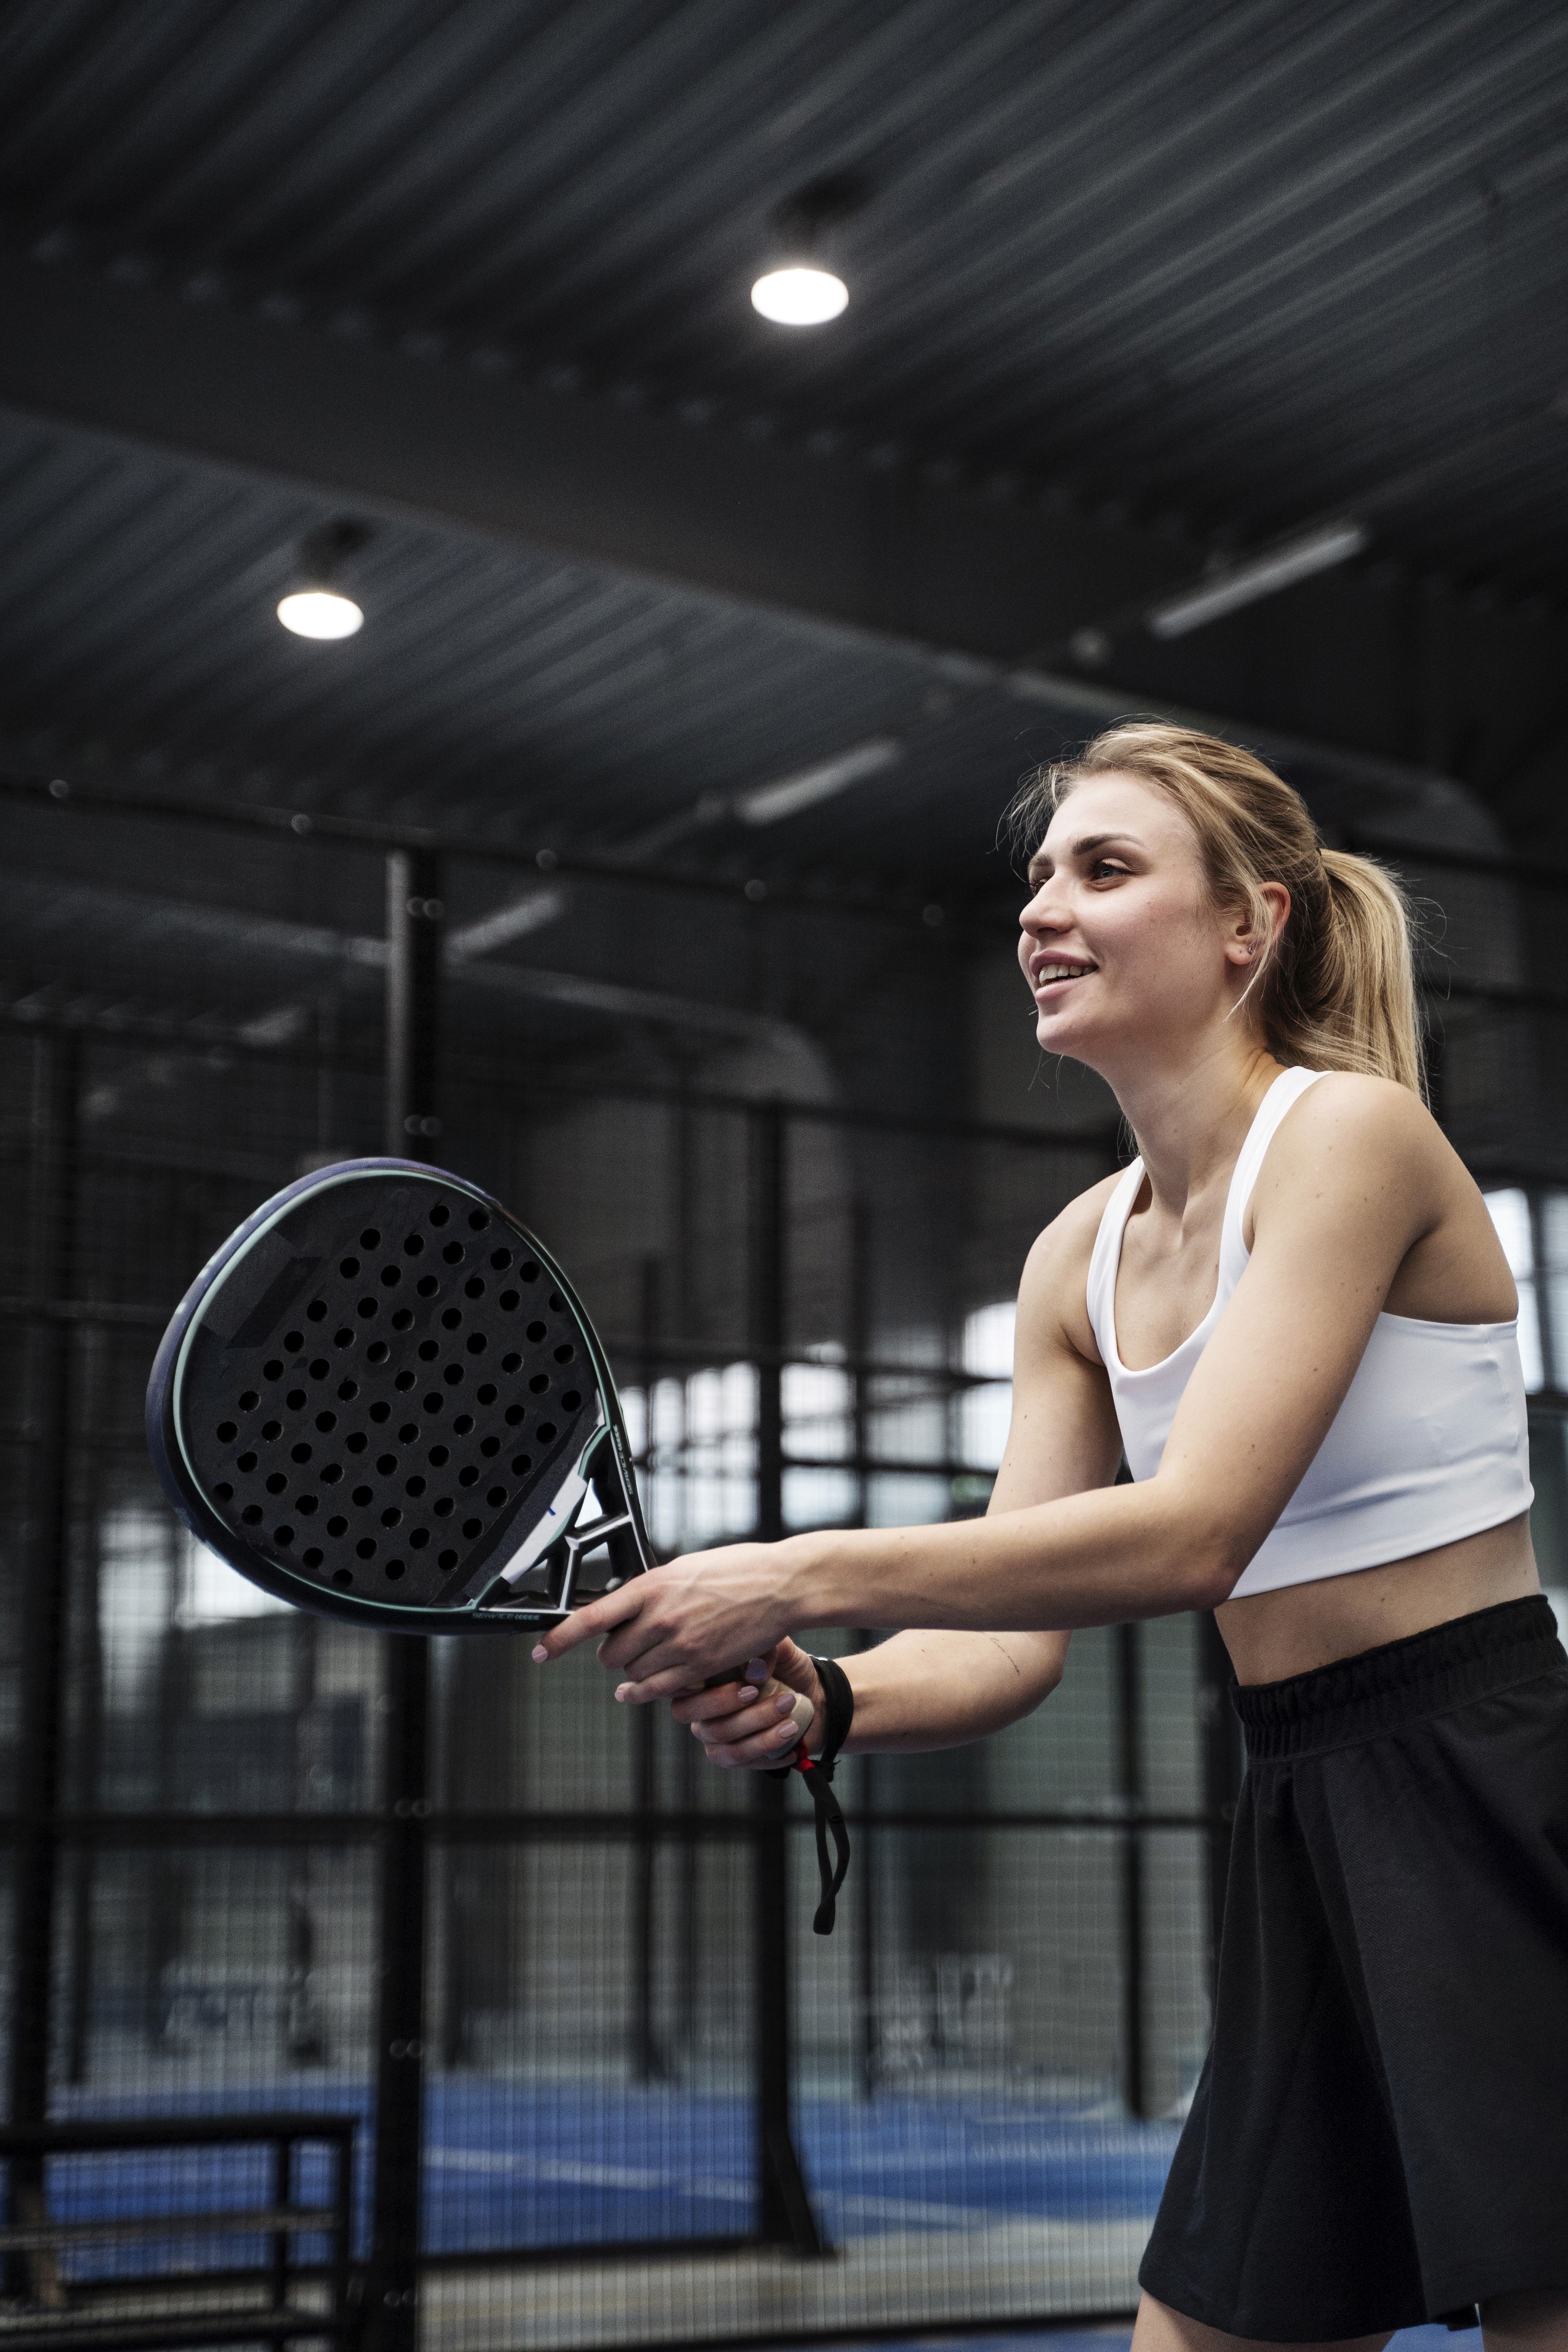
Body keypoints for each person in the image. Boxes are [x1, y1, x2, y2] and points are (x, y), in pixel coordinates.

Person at [531, 721, 1568, 2350]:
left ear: (1252, 923)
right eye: (1036, 877)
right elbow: (1013, 1644)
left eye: (1102, 869)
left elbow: (1192, 1537)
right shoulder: (1073, 1259)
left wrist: (798, 1567)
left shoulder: (1350, 1137)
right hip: (1296, 1803)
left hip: (1493, 1783)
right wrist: (838, 1699)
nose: (1040, 909)